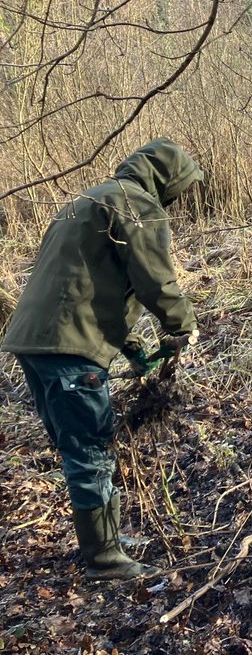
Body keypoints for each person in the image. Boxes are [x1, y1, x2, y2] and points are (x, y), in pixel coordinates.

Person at [3, 139, 202, 580]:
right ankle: (104, 559)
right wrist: (182, 325)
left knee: (79, 445)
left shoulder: (87, 199)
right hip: (70, 350)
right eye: (181, 188)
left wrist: (128, 347)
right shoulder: (136, 205)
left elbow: (82, 284)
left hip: (33, 341)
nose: (180, 198)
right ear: (166, 178)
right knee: (90, 448)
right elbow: (155, 279)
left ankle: (105, 539)